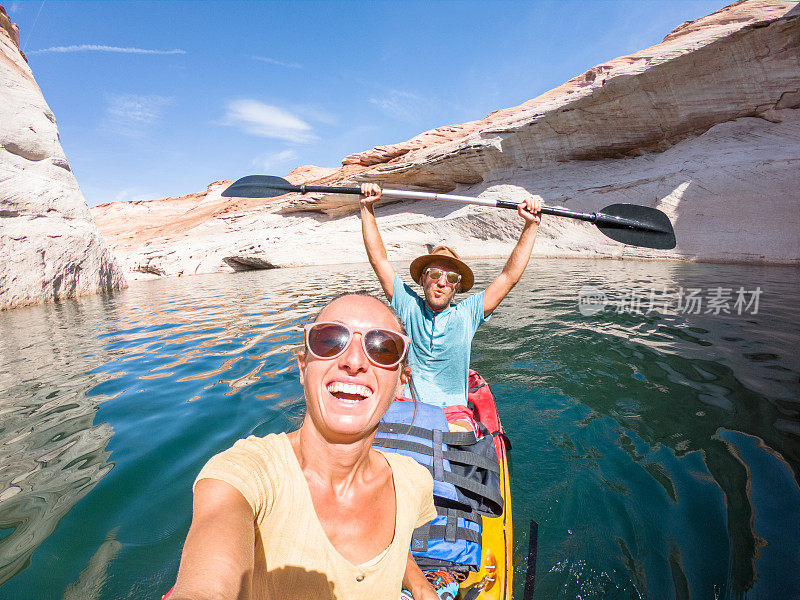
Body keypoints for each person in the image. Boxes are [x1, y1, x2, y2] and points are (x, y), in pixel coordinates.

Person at [171, 294, 439, 600]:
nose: (353, 361)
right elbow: (207, 584)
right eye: (329, 340)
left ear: (401, 383)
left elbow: (398, 545)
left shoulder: (413, 481)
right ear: (303, 368)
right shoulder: (245, 474)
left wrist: (420, 585)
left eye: (382, 348)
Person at [359, 183, 542, 408]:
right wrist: (367, 208)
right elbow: (379, 260)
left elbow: (509, 277)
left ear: (457, 287)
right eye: (435, 274)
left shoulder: (468, 313)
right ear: (423, 279)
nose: (442, 282)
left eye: (452, 278)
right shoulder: (407, 305)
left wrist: (531, 225)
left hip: (454, 412)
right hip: (408, 407)